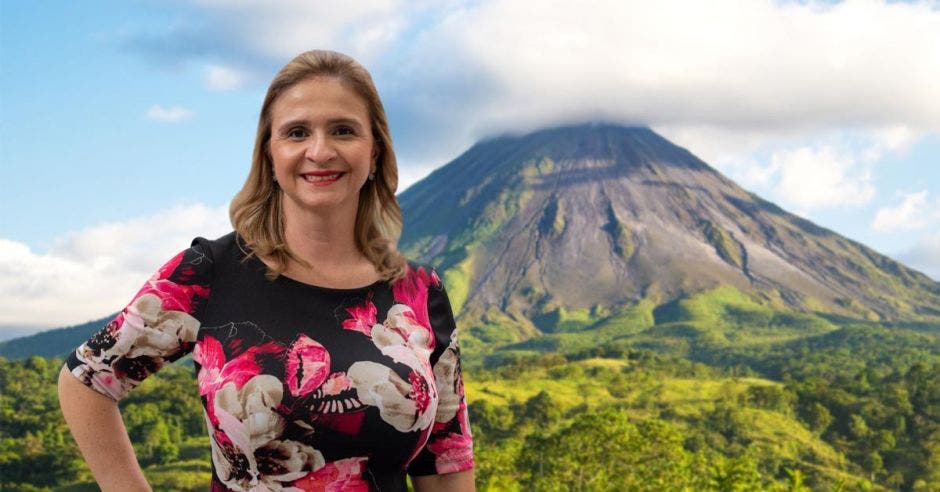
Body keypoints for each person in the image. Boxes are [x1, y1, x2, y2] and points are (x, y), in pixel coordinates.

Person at [58, 49, 475, 492]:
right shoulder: (208, 273)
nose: (320, 150)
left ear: (375, 153)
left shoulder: (419, 292)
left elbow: (445, 457)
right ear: (270, 156)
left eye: (343, 130)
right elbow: (86, 380)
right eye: (297, 132)